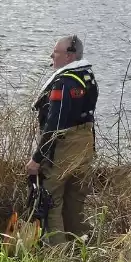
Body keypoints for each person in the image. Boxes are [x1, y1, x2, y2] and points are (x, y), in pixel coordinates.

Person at [25, 35, 98, 245]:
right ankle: (83, 249)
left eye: (55, 52)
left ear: (69, 56)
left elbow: (54, 124)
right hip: (85, 143)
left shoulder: (63, 83)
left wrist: (36, 159)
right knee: (75, 202)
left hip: (66, 145)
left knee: (50, 200)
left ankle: (58, 256)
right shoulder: (87, 76)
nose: (51, 55)